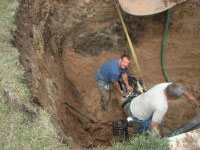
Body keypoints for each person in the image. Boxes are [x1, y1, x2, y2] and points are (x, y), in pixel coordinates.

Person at [122, 82, 197, 135]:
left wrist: (188, 96)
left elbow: (175, 86)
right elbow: (153, 125)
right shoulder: (162, 106)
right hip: (137, 116)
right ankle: (139, 129)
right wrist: (156, 138)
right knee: (149, 125)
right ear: (173, 98)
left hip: (133, 103)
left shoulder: (164, 85)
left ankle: (131, 120)